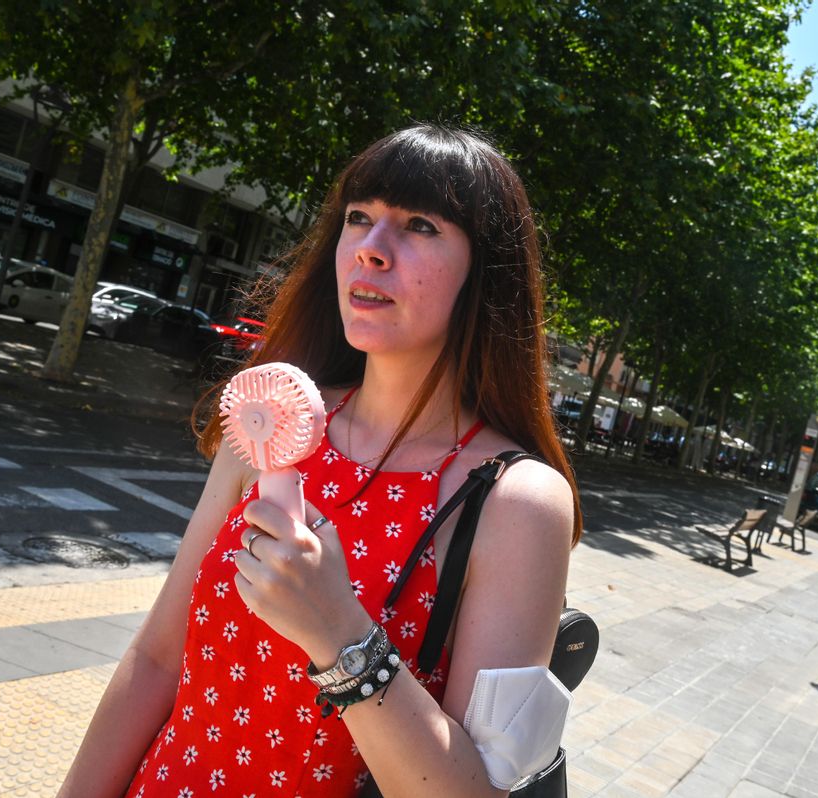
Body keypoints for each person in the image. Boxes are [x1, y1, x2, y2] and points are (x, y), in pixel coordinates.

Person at [58, 124, 582, 798]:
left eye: (420, 225)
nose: (371, 250)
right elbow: (159, 660)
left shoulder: (515, 501)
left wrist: (341, 634)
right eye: (359, 218)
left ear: (485, 273)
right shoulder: (276, 420)